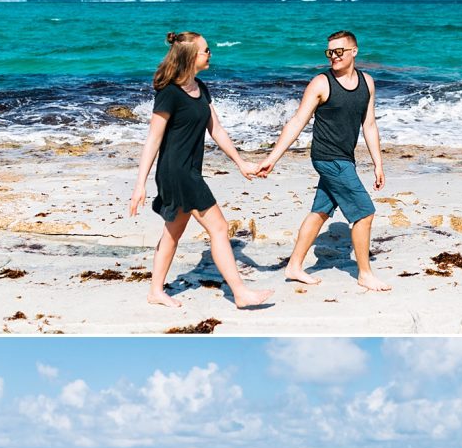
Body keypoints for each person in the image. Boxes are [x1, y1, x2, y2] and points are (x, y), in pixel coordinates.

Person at [130, 31, 272, 309]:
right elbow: (153, 139)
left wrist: (241, 163)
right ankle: (240, 293)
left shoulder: (200, 87)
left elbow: (215, 128)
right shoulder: (169, 93)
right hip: (177, 172)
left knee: (173, 232)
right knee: (219, 228)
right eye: (206, 50)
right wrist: (140, 184)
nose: (210, 54)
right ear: (190, 56)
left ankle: (155, 291)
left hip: (189, 169)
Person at [256, 31, 391, 292]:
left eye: (339, 51)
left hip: (345, 158)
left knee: (319, 212)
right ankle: (365, 274)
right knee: (364, 213)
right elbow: (296, 121)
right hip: (328, 158)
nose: (333, 56)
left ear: (354, 51)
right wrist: (272, 159)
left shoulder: (367, 83)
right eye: (330, 52)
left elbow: (370, 125)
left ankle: (294, 266)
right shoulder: (321, 83)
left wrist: (378, 163)